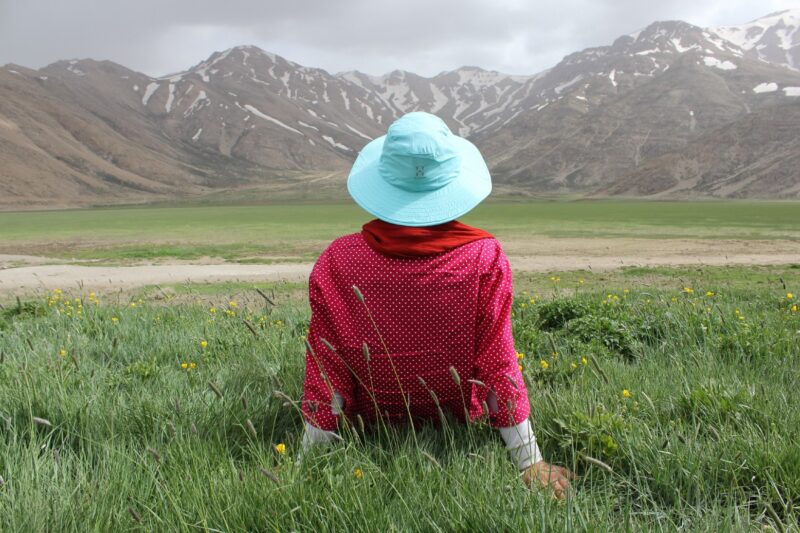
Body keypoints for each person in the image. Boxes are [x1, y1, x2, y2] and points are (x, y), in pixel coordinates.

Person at [299, 111, 575, 498]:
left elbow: (327, 372)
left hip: (371, 423)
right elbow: (498, 363)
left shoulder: (338, 260)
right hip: (455, 419)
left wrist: (305, 467)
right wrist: (529, 461)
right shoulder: (485, 258)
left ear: (383, 181)